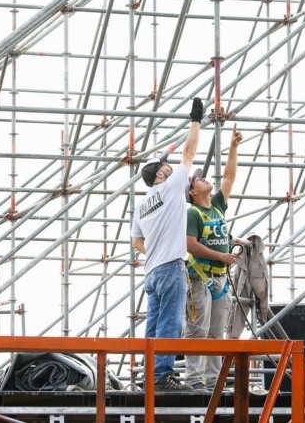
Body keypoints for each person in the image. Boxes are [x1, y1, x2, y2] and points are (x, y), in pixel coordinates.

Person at [131, 97, 203, 391]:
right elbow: (189, 151)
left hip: (152, 270)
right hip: (171, 266)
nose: (171, 169)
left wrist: (155, 251)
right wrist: (196, 120)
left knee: (153, 324)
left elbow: (137, 241)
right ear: (160, 175)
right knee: (170, 324)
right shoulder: (172, 187)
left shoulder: (141, 204)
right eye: (165, 167)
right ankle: (162, 376)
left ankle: (151, 375)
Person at [182, 123, 242, 392]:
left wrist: (233, 147)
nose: (204, 178)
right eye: (198, 179)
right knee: (198, 330)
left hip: (219, 279)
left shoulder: (216, 207)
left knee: (217, 333)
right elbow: (190, 245)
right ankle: (195, 381)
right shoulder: (193, 213)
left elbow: (229, 178)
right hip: (201, 276)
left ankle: (213, 383)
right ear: (193, 192)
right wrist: (222, 255)